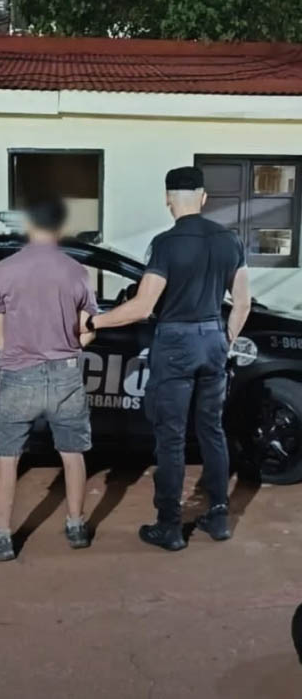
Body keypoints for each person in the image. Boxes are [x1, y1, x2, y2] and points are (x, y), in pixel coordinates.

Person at [85, 166, 251, 551]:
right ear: (204, 198)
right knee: (212, 430)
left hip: (175, 343)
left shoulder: (165, 244)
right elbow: (241, 303)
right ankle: (219, 516)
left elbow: (143, 307)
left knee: (171, 437)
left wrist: (94, 321)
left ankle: (169, 526)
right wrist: (224, 339)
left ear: (167, 198)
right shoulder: (230, 241)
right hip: (213, 337)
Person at [0, 197, 97, 561]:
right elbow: (88, 329)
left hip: (18, 373)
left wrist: (18, 353)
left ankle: (2, 538)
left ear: (29, 226)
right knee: (72, 454)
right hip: (65, 373)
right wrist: (69, 347)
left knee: (7, 457)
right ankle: (76, 526)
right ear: (59, 227)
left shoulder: (5, 270)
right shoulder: (76, 271)